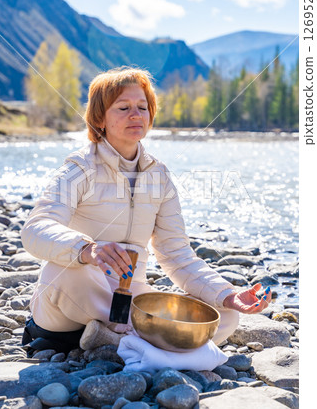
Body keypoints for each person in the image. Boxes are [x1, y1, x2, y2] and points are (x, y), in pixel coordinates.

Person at [21, 67, 271, 354]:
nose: (136, 115)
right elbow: (35, 229)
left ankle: (116, 338)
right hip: (67, 310)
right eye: (123, 107)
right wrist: (86, 250)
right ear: (100, 118)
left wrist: (227, 294)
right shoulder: (79, 168)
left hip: (127, 298)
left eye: (143, 107)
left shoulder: (159, 176)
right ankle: (152, 343)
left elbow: (176, 254)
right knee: (64, 271)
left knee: (225, 317)